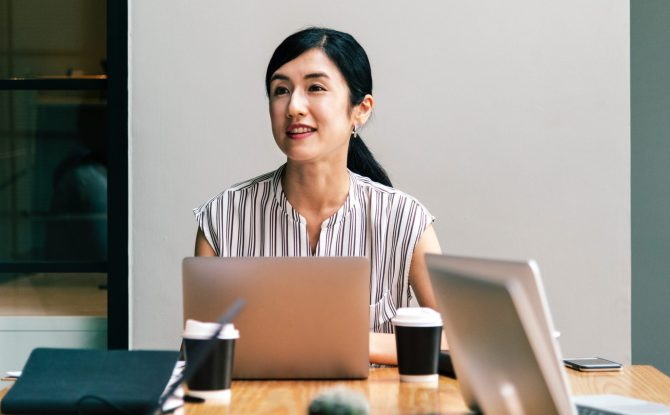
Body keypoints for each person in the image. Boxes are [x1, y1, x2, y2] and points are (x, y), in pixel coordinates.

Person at [193, 27, 442, 365]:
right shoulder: (222, 218)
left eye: (315, 88)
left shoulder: (406, 221)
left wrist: (349, 340)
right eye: (281, 90)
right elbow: (200, 354)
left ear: (361, 109)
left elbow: (455, 342)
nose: (294, 106)